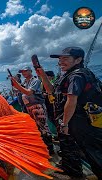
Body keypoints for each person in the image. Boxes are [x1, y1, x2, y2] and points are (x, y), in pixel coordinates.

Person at [36, 47, 102, 178]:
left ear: (78, 60)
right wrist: (42, 75)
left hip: (82, 123)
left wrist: (65, 124)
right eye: (60, 59)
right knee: (73, 148)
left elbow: (72, 100)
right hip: (71, 121)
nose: (61, 61)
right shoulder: (66, 75)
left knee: (94, 155)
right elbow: (52, 92)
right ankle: (72, 170)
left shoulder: (77, 75)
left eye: (65, 58)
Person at [10, 66, 54, 155]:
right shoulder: (25, 82)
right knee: (36, 128)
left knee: (43, 126)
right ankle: (43, 148)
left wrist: (17, 85)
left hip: (37, 106)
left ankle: (50, 149)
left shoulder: (35, 81)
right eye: (22, 72)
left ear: (30, 71)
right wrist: (15, 85)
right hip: (28, 107)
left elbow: (28, 92)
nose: (23, 73)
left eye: (25, 71)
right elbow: (17, 91)